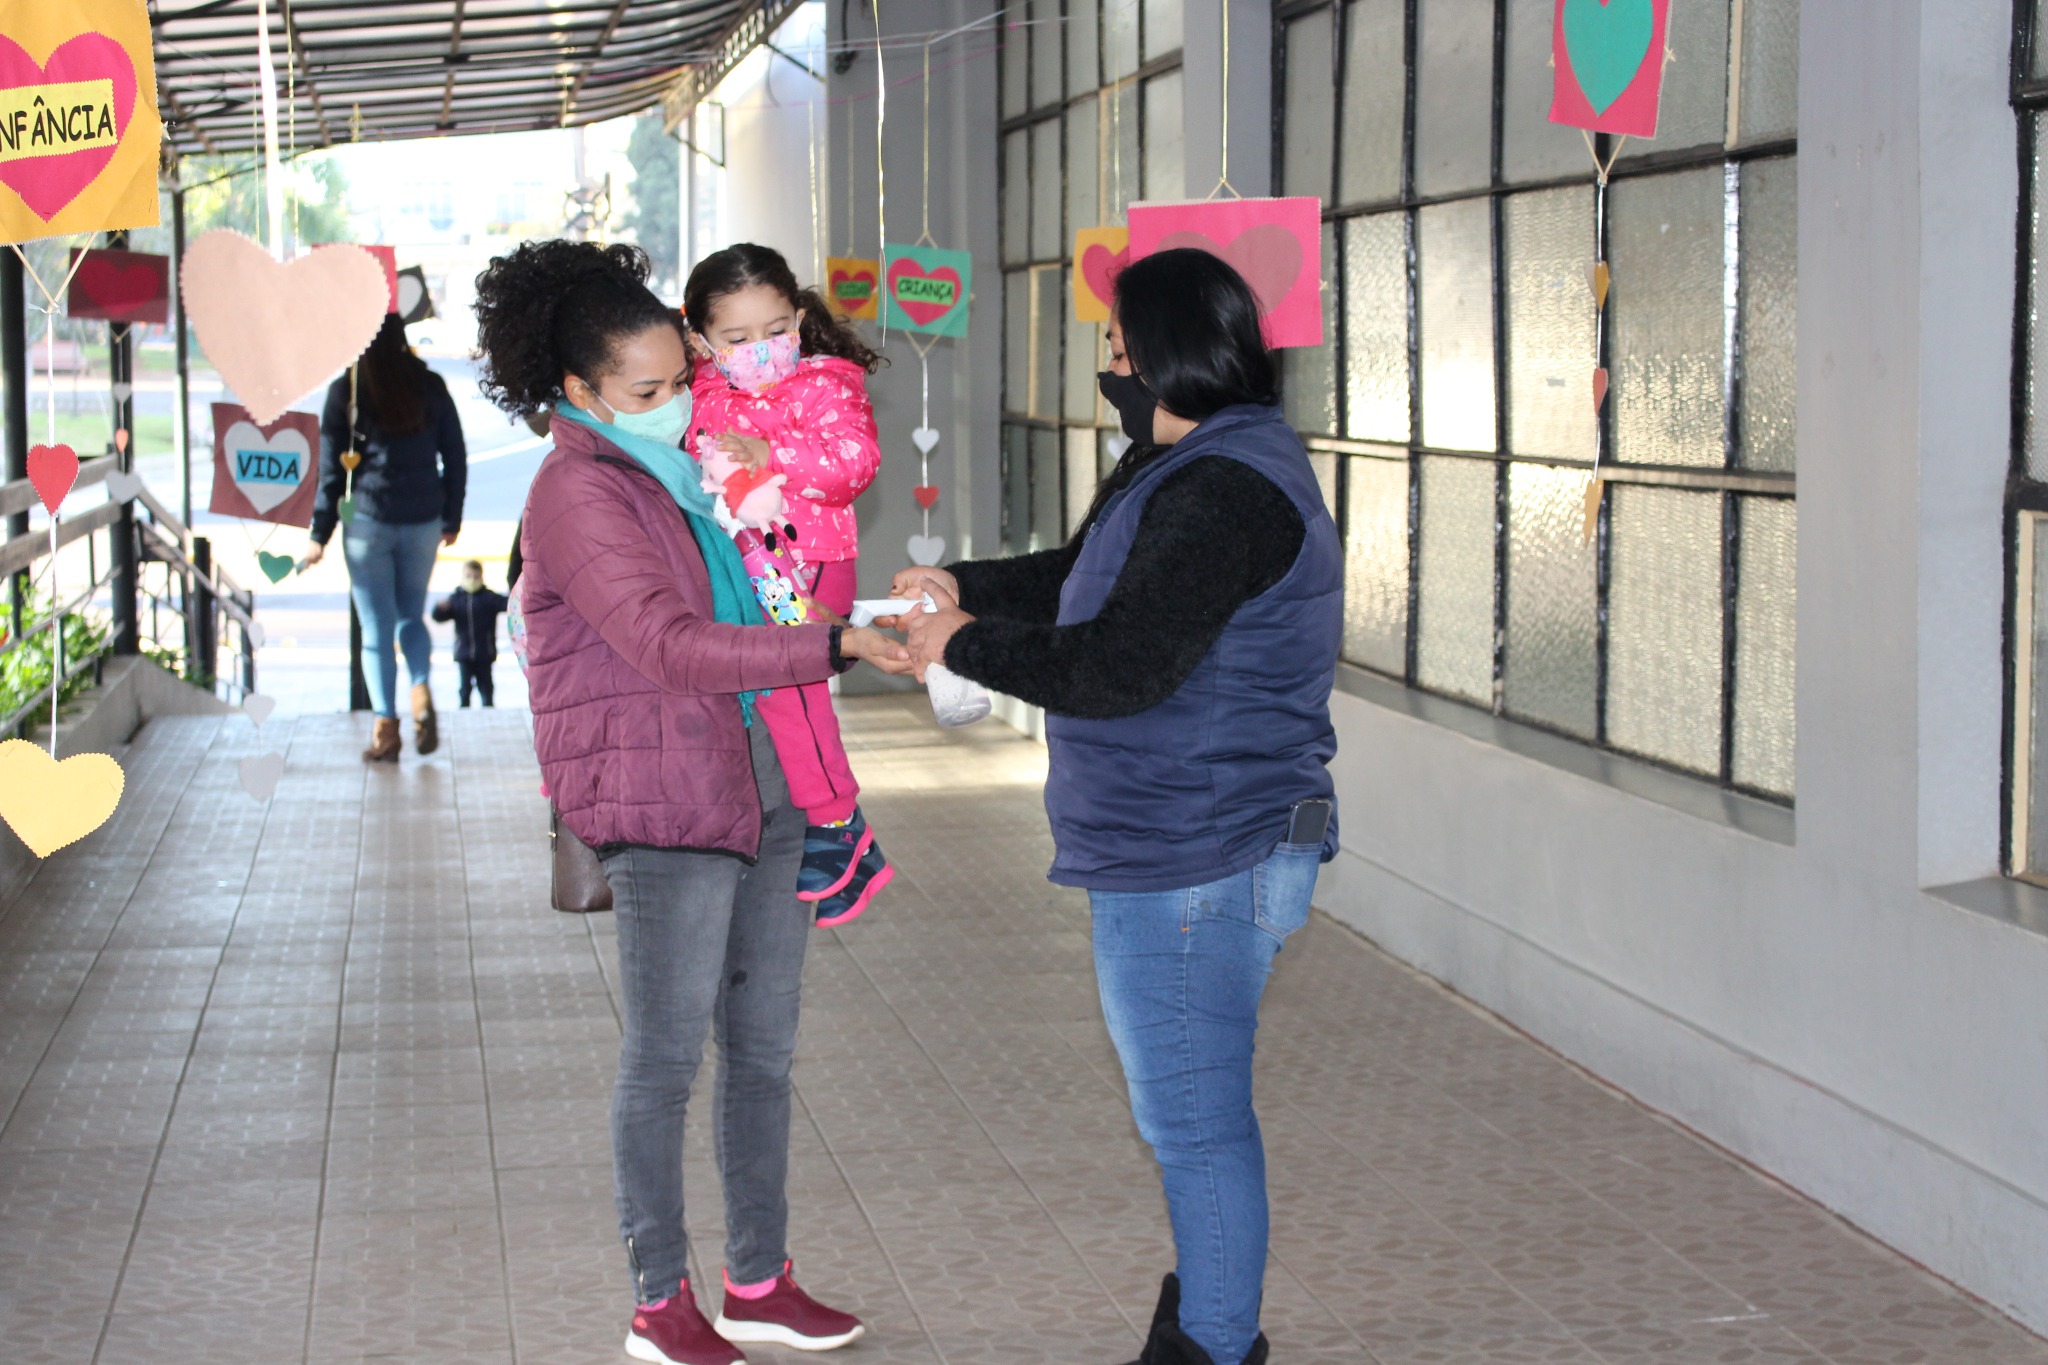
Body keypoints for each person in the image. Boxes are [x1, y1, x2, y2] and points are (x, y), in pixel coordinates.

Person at [889, 249, 1343, 1365]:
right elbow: (1093, 573)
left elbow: (1122, 665)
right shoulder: (1190, 463)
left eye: (1117, 346)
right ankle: (1207, 1319)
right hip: (1180, 833)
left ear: (1168, 350)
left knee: (1192, 1124)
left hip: (1198, 850)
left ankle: (1215, 1343)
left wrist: (967, 646)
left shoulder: (1225, 489)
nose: (1110, 367)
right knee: (1187, 1114)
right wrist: (967, 590)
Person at [472, 238, 903, 1365]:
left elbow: (780, 556)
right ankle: (659, 1303)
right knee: (664, 1059)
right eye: (646, 395)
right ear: (580, 395)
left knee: (762, 1051)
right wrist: (835, 643)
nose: (675, 406)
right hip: (662, 797)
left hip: (762, 775)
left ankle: (757, 1280)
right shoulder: (577, 488)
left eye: (680, 381)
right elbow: (666, 644)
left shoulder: (699, 456)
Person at [683, 243, 891, 927]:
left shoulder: (828, 381)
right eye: (737, 339)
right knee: (778, 687)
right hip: (761, 566)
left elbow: (854, 463)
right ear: (702, 341)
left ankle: (837, 821)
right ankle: (848, 841)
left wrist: (771, 454)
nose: (761, 350)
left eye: (776, 332)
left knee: (793, 686)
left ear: (799, 318)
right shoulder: (703, 391)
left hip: (817, 558)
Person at [307, 312, 467, 761]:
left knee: (375, 631)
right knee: (410, 618)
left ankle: (386, 731)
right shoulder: (430, 385)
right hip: (422, 520)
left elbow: (330, 471)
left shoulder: (349, 390)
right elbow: (454, 456)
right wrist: (450, 517)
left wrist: (320, 532)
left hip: (367, 524)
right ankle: (419, 691)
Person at [431, 559, 508, 707]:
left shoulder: (489, 598)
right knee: (464, 688)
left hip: (485, 653)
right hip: (463, 653)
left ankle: (488, 712)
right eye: (468, 576)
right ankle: (463, 711)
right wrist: (439, 608)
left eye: (475, 576)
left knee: (486, 687)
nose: (472, 580)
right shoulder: (455, 599)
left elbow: (507, 604)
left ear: (481, 577)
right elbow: (438, 617)